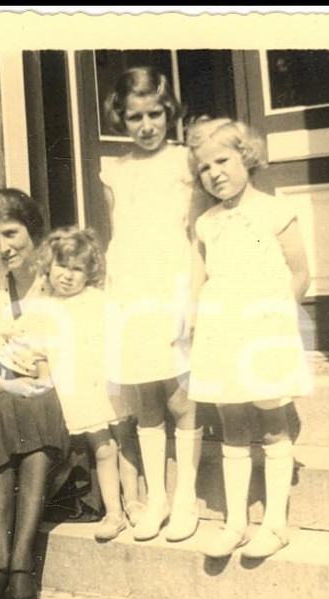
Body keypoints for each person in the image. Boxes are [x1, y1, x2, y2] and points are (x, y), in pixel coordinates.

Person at [0, 188, 101, 599]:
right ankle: (3, 560)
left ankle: (17, 558)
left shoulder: (63, 277)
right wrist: (16, 385)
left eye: (11, 233)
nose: (4, 247)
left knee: (33, 403)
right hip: (16, 399)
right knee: (2, 406)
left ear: (33, 230)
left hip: (69, 396)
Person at [187, 117, 311, 559]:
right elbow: (200, 282)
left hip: (263, 333)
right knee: (233, 426)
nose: (215, 172)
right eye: (204, 167)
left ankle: (275, 523)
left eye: (222, 160)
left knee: (272, 423)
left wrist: (277, 323)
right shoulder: (206, 223)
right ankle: (236, 521)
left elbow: (301, 274)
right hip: (224, 333)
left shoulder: (275, 211)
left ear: (247, 157)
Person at [100, 67, 209, 542]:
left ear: (170, 113)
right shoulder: (114, 170)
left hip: (173, 281)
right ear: (120, 119)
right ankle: (157, 500)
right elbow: (116, 233)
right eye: (134, 117)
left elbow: (198, 234)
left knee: (180, 394)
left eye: (155, 114)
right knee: (145, 394)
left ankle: (185, 497)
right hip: (130, 285)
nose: (146, 126)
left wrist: (196, 296)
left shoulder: (186, 162)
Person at [30, 228, 129, 542]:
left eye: (78, 269)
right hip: (79, 390)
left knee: (126, 441)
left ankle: (136, 501)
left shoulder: (98, 300)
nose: (69, 275)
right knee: (103, 447)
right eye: (62, 266)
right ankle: (115, 511)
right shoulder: (44, 307)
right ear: (48, 265)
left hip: (109, 381)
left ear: (90, 273)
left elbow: (119, 336)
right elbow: (40, 352)